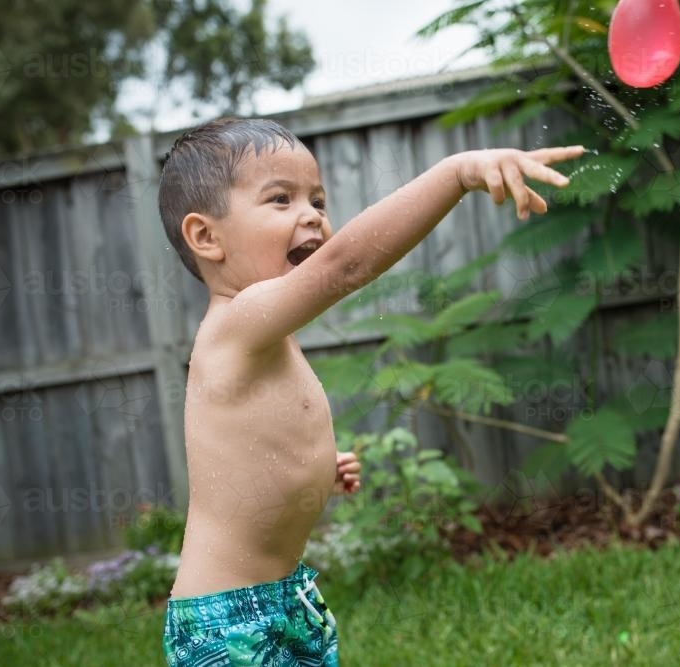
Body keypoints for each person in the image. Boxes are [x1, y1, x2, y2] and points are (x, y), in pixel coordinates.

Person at [156, 117, 585, 666]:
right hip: (228, 620)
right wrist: (456, 174)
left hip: (280, 600)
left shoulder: (266, 334)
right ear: (206, 237)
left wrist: (314, 470)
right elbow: (346, 265)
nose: (311, 214)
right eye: (281, 199)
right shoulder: (236, 324)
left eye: (317, 199)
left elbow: (243, 450)